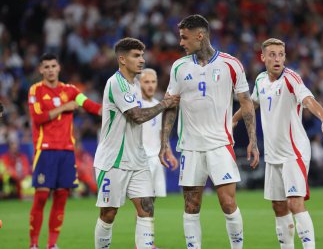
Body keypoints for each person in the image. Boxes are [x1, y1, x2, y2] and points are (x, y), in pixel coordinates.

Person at [160, 14, 259, 249]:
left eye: (185, 38)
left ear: (200, 35)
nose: (181, 43)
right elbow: (171, 105)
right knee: (191, 206)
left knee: (227, 203)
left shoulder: (230, 64)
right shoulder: (179, 67)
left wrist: (253, 140)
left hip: (220, 145)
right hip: (191, 147)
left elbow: (246, 102)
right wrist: (165, 142)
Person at [233, 38, 323, 249]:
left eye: (281, 54)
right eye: (272, 54)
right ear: (263, 57)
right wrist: (233, 120)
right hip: (273, 154)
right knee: (279, 206)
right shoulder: (261, 80)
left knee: (295, 203)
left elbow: (309, 101)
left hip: (294, 152)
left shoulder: (292, 79)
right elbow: (252, 104)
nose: (277, 58)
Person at [93, 37, 179, 249]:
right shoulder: (116, 83)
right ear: (122, 59)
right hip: (113, 161)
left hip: (137, 159)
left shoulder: (133, 85)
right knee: (109, 213)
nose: (142, 60)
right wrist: (165, 103)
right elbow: (137, 116)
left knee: (146, 207)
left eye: (142, 55)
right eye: (136, 56)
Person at [28, 53, 102, 249]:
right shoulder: (35, 90)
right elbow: (38, 118)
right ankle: (33, 244)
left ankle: (52, 245)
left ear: (59, 68)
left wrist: (111, 108)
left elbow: (90, 106)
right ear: (41, 70)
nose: (50, 70)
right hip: (45, 150)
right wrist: (63, 108)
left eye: (53, 66)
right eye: (46, 67)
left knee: (61, 198)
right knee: (42, 196)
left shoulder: (70, 90)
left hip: (67, 151)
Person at [140, 68, 179, 198]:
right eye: (146, 82)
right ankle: (143, 219)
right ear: (139, 83)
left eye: (153, 82)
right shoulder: (135, 105)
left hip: (156, 157)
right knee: (144, 199)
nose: (150, 85)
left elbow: (161, 133)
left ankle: (147, 219)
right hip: (141, 158)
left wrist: (169, 153)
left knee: (154, 198)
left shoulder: (158, 104)